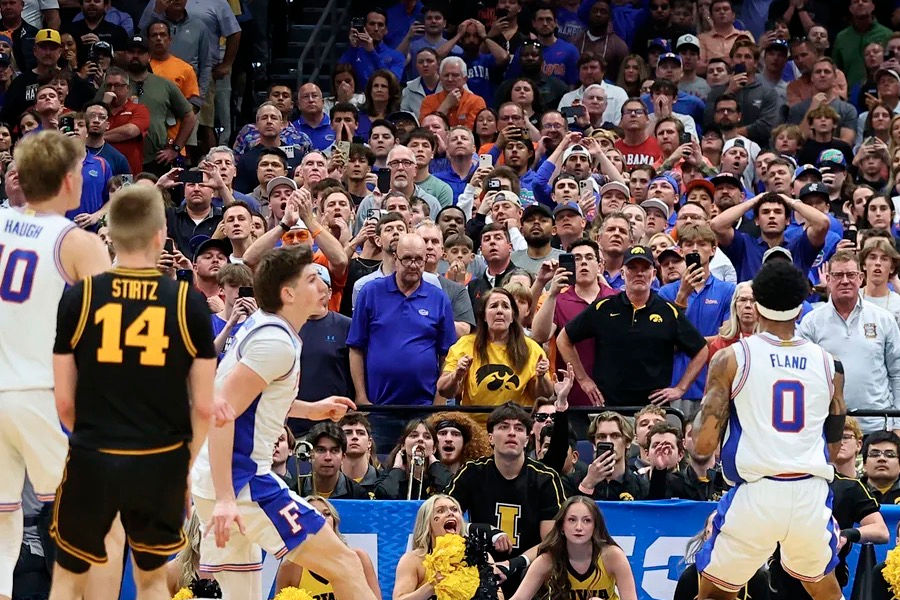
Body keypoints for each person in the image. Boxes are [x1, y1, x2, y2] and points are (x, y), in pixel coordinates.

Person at [48, 185, 217, 600]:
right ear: (161, 234)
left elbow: (64, 400)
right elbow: (204, 406)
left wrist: (88, 438)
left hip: (94, 453)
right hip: (158, 460)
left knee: (70, 576)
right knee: (152, 579)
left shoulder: (80, 297)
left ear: (109, 234)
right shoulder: (186, 302)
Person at [189, 245, 377, 600]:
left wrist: (309, 410)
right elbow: (221, 412)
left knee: (240, 593)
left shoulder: (262, 324)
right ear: (288, 294)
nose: (322, 285)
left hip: (215, 479)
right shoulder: (275, 343)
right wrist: (228, 497)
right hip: (242, 481)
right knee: (346, 565)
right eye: (311, 279)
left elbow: (252, 400)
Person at [692, 259, 847, 600]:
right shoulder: (829, 364)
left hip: (757, 493)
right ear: (802, 304)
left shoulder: (732, 357)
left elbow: (702, 446)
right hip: (809, 492)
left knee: (713, 595)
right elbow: (835, 446)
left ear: (757, 302)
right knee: (827, 594)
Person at [0, 131, 110, 600]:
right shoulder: (76, 242)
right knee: (96, 517)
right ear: (71, 182)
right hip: (41, 394)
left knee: (4, 523)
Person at [557, 245, 709, 407]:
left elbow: (701, 349)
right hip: (609, 408)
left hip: (653, 410)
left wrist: (680, 388)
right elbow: (564, 339)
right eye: (632, 268)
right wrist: (583, 379)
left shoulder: (668, 311)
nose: (639, 273)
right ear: (622, 273)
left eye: (645, 268)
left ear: (654, 273)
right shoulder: (603, 307)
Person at [446, 402, 565, 595]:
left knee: (549, 564)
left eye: (519, 428)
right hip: (479, 566)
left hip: (530, 569)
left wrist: (513, 564)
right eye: (504, 427)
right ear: (490, 438)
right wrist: (484, 530)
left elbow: (551, 541)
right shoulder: (472, 472)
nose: (512, 433)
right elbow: (441, 519)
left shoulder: (545, 478)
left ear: (527, 439)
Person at [799, 250, 900, 436]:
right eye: (838, 275)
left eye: (851, 275)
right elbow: (803, 377)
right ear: (828, 279)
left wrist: (898, 424)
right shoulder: (811, 322)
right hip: (827, 425)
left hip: (877, 425)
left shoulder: (884, 319)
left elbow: (897, 373)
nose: (845, 281)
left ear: (861, 278)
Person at [348, 233, 456, 406]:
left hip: (424, 407)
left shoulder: (439, 298)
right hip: (378, 407)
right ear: (395, 259)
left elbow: (447, 356)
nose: (413, 265)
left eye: (419, 259)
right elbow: (356, 348)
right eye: (407, 259)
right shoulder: (370, 293)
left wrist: (439, 402)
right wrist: (361, 397)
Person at [531, 239, 617, 407]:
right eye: (577, 258)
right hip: (571, 397)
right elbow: (539, 335)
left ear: (600, 266)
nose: (583, 262)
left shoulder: (616, 298)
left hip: (613, 396)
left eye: (589, 257)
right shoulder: (559, 299)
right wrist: (553, 294)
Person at [439, 287, 552, 407]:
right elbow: (444, 391)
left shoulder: (531, 349)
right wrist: (457, 375)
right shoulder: (465, 344)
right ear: (484, 316)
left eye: (505, 307)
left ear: (513, 316)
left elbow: (543, 396)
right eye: (493, 306)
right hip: (474, 423)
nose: (500, 311)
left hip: (516, 422)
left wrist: (541, 378)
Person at [508, 496, 637, 600]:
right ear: (562, 526)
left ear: (595, 526)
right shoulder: (547, 560)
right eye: (572, 520)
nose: (579, 527)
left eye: (587, 520)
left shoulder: (613, 556)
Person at [274, 496, 381, 598]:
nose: (321, 518)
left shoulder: (359, 558)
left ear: (334, 522)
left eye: (327, 514)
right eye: (314, 514)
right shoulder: (290, 568)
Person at [674, 512, 771, 600]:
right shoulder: (689, 578)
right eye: (714, 525)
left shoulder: (757, 577)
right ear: (705, 537)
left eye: (725, 524)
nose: (719, 529)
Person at [393, 494, 471, 600]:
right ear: (427, 523)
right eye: (440, 511)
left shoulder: (478, 557)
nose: (450, 513)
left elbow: (497, 595)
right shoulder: (413, 560)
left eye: (454, 509)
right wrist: (431, 586)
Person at [576, 411, 650, 501]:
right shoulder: (575, 480)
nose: (608, 441)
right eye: (601, 436)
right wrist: (588, 484)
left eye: (615, 436)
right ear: (594, 444)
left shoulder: (642, 486)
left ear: (628, 442)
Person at [374, 418, 453, 500]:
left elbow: (452, 494)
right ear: (403, 445)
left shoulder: (442, 474)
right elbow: (383, 497)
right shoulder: (388, 475)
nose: (421, 439)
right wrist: (397, 468)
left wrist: (435, 465)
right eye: (414, 435)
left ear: (434, 449)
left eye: (427, 437)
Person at [297, 423, 369, 499]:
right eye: (321, 450)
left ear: (343, 457)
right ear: (309, 455)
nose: (328, 457)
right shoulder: (292, 491)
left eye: (334, 451)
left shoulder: (358, 495)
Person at [426, 411, 492, 475]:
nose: (448, 439)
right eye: (443, 433)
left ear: (465, 442)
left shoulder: (477, 476)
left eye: (455, 434)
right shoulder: (423, 476)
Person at [706, 281, 757, 360]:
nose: (748, 305)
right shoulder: (720, 343)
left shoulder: (769, 341)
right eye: (743, 300)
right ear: (734, 306)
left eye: (753, 301)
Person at [861, 431, 900, 504]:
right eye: (874, 454)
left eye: (889, 455)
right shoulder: (853, 492)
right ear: (864, 464)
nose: (881, 458)